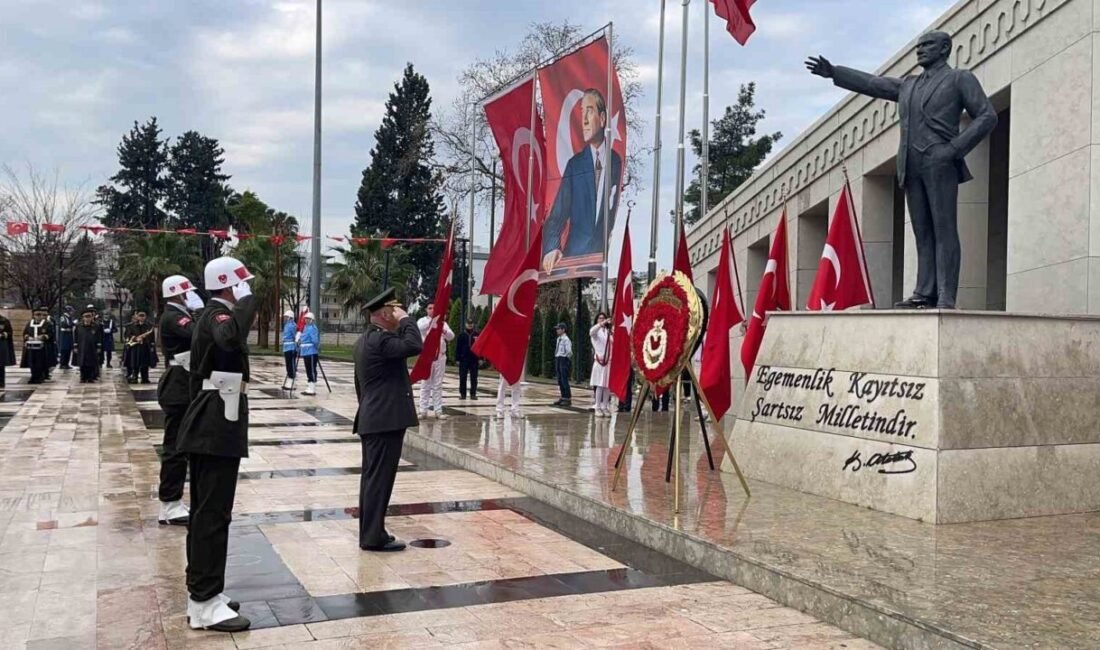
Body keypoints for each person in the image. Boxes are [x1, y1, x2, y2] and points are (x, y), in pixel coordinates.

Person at [806, 31, 996, 309]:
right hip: (910, 165)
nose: (920, 50)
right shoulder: (909, 85)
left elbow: (987, 115)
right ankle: (924, 291)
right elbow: (874, 84)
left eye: (927, 45)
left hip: (940, 161)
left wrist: (953, 149)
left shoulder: (959, 78)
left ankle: (946, 294)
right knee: (922, 232)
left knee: (944, 229)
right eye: (918, 46)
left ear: (944, 49)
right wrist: (835, 72)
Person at [176, 256, 257, 632]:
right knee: (211, 514)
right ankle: (204, 603)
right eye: (241, 284)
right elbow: (229, 337)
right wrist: (247, 301)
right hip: (214, 422)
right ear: (230, 285)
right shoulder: (217, 315)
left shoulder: (211, 315)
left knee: (211, 512)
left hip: (216, 419)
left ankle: (205, 592)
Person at [353, 287, 422, 553]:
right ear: (385, 314)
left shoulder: (365, 340)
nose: (398, 315)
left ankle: (372, 532)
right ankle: (373, 537)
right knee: (379, 481)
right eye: (394, 311)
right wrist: (406, 319)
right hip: (383, 421)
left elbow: (360, 385)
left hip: (374, 418)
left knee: (373, 480)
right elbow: (414, 345)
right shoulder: (380, 340)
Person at [542, 88, 623, 275]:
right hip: (575, 261)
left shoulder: (615, 162)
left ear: (602, 119)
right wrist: (552, 248)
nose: (584, 120)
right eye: (582, 112)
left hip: (604, 262)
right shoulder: (575, 166)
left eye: (590, 111)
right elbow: (556, 218)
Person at [157, 274, 204, 527]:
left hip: (183, 382)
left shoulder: (176, 314)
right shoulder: (174, 316)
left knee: (180, 447)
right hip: (178, 385)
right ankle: (169, 504)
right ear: (177, 294)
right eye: (187, 293)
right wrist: (199, 312)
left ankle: (173, 501)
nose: (189, 297)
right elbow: (198, 334)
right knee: (175, 447)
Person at [415, 304, 454, 419]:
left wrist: (443, 329)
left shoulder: (443, 323)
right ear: (426, 310)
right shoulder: (422, 320)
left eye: (434, 308)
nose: (432, 310)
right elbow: (420, 328)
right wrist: (433, 321)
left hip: (440, 356)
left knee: (437, 385)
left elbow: (451, 336)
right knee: (425, 384)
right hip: (427, 356)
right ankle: (423, 410)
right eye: (430, 308)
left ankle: (438, 410)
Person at [589, 313, 612, 417]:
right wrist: (602, 324)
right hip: (600, 361)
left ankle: (604, 406)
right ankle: (597, 406)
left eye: (604, 318)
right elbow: (591, 332)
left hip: (608, 361)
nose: (602, 320)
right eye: (600, 318)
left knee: (607, 386)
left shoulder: (608, 331)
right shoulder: (596, 331)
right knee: (599, 385)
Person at [22, 307, 52, 384]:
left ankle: (40, 377)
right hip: (31, 347)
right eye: (37, 315)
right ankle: (33, 376)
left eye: (40, 315)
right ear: (33, 315)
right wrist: (28, 337)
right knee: (32, 362)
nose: (39, 316)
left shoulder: (47, 324)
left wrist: (43, 336)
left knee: (40, 362)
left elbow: (51, 334)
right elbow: (25, 333)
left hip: (42, 347)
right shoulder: (29, 324)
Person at [72, 307, 102, 383]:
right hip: (82, 347)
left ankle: (90, 377)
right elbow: (75, 336)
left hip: (92, 347)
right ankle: (83, 377)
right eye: (86, 316)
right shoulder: (78, 326)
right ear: (83, 317)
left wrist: (99, 346)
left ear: (92, 317)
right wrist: (75, 346)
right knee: (82, 362)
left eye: (89, 316)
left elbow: (99, 337)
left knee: (91, 362)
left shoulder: (96, 326)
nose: (88, 318)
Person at [125, 310, 155, 384]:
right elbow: (127, 335)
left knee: (145, 363)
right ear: (137, 317)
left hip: (145, 347)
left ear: (145, 316)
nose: (142, 317)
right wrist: (135, 338)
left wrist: (152, 346)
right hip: (135, 347)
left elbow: (152, 337)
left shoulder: (149, 325)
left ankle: (145, 378)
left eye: (143, 316)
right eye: (140, 316)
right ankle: (134, 377)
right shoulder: (131, 326)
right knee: (135, 363)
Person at [455, 319, 479, 400]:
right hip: (463, 359)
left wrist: (481, 358)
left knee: (474, 378)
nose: (470, 325)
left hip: (474, 359)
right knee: (462, 377)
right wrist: (457, 359)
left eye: (471, 323)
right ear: (465, 324)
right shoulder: (461, 335)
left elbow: (480, 347)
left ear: (473, 324)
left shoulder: (476, 334)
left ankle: (473, 394)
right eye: (468, 324)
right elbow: (458, 347)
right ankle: (463, 394)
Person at [299, 312, 320, 396]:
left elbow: (315, 340)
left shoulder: (312, 328)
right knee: (308, 369)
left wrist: (316, 348)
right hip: (306, 351)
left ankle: (312, 387)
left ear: (311, 320)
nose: (306, 320)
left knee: (311, 369)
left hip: (311, 351)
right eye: (305, 319)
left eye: (308, 319)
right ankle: (309, 386)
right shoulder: (306, 327)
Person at [553, 322, 573, 406]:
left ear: (563, 329)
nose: (557, 330)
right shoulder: (559, 339)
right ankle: (563, 396)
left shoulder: (566, 339)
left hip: (563, 359)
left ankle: (567, 397)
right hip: (558, 358)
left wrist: (566, 359)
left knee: (564, 379)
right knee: (560, 379)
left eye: (558, 329)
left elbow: (569, 351)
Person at [280, 310, 297, 391]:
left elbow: (294, 336)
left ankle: (292, 380)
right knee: (288, 365)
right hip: (286, 347)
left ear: (290, 317)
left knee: (291, 365)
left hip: (291, 347)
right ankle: (289, 380)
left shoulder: (293, 325)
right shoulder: (287, 325)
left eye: (286, 317)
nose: (285, 318)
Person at [0, 311, 15, 389]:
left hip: (1, 345)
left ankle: (1, 382)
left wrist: (3, 334)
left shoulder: (4, 321)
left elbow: (10, 332)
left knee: (0, 365)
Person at [57, 306, 74, 370]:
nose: (72, 312)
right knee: (64, 349)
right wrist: (71, 325)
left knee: (68, 349)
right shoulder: (63, 317)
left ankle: (66, 364)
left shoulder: (69, 317)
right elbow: (63, 324)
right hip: (64, 335)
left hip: (69, 334)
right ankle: (62, 364)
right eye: (71, 311)